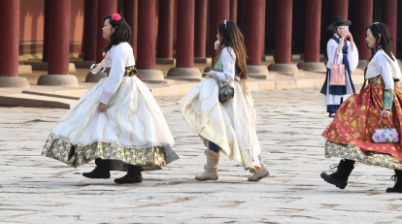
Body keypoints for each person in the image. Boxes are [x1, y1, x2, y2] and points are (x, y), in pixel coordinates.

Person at [42, 14, 178, 184]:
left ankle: (134, 171)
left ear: (114, 29)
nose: (103, 28)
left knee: (126, 127)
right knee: (103, 124)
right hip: (119, 86)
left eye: (106, 25)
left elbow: (117, 74)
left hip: (124, 90)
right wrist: (97, 67)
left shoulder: (120, 48)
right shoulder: (116, 47)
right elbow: (108, 67)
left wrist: (105, 99)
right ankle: (102, 166)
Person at [320, 22, 402, 193]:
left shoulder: (381, 56)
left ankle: (342, 174)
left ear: (378, 36)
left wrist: (386, 106)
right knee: (381, 138)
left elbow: (389, 83)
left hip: (378, 100)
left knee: (360, 134)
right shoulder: (386, 55)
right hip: (378, 98)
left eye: (368, 35)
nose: (366, 39)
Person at [180, 20, 269, 182]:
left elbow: (228, 76)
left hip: (225, 98)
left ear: (224, 35)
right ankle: (254, 167)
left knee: (218, 128)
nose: (216, 36)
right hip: (228, 95)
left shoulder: (228, 50)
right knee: (222, 128)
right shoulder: (230, 48)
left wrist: (212, 73)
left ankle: (213, 169)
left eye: (218, 33)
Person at [320, 15, 359, 117]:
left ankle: (342, 108)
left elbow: (352, 50)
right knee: (334, 86)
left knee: (343, 87)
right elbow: (337, 52)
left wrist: (351, 38)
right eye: (340, 29)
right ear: (335, 29)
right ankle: (332, 109)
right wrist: (342, 39)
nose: (342, 30)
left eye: (343, 28)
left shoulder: (345, 41)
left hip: (344, 64)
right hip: (335, 67)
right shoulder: (332, 41)